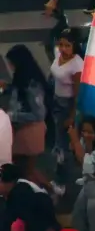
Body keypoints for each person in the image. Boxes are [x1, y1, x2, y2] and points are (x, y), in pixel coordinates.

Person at [3, 45, 55, 194]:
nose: (10, 66)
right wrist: (8, 87)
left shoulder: (32, 85)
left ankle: (48, 192)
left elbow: (39, 113)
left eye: (11, 62)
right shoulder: (23, 77)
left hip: (30, 132)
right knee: (25, 169)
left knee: (27, 171)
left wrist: (12, 116)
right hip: (25, 130)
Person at [50, 29, 84, 195]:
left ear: (75, 46)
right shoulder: (59, 55)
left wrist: (72, 116)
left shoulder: (77, 65)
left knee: (62, 146)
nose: (63, 48)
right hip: (56, 101)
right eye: (61, 44)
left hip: (67, 106)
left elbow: (78, 95)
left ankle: (61, 183)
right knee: (59, 141)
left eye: (67, 45)